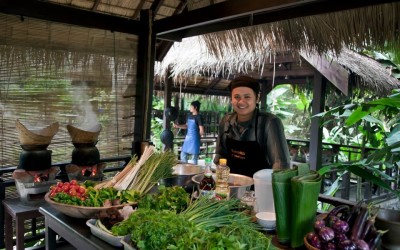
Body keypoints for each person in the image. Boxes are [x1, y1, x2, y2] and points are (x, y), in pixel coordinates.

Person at [214, 76, 291, 177]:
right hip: (231, 187)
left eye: (247, 97)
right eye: (237, 97)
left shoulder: (269, 123)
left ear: (257, 98)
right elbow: (220, 155)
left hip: (259, 189)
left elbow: (281, 166)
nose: (241, 102)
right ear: (231, 99)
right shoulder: (226, 121)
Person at [173, 101, 204, 165]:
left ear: (195, 107)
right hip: (188, 138)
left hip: (195, 139)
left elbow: (201, 130)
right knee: (183, 154)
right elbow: (186, 126)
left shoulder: (199, 117)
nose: (190, 108)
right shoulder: (189, 116)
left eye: (191, 106)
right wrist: (178, 126)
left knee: (194, 158)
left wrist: (199, 139)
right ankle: (185, 169)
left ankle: (194, 171)